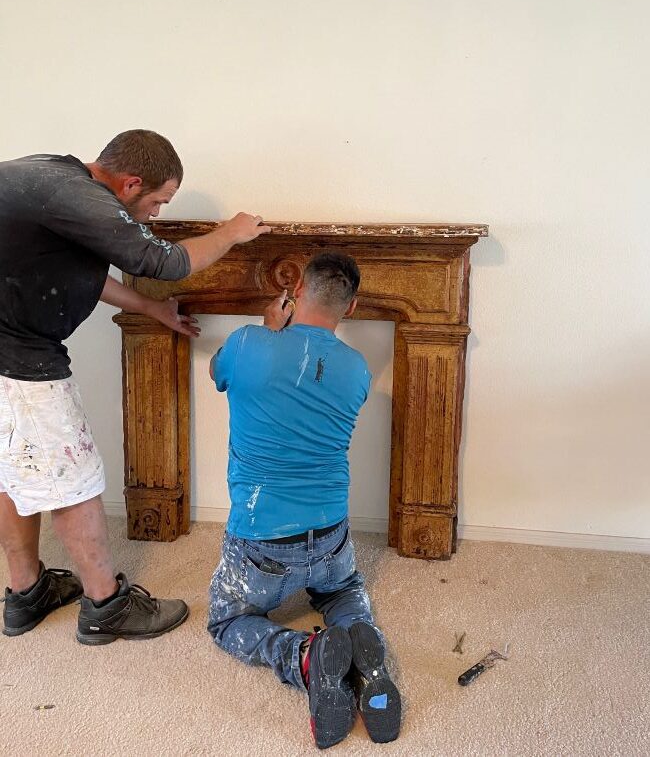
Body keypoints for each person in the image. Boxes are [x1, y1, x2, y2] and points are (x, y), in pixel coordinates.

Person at [0, 129, 271, 645]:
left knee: (13, 475)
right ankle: (106, 605)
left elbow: (72, 266)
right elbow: (163, 261)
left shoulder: (53, 179)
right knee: (73, 481)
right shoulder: (81, 197)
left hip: (5, 354)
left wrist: (148, 307)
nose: (156, 217)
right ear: (129, 184)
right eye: (158, 203)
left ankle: (25, 592)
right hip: (17, 358)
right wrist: (232, 231)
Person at [207, 251, 401, 749]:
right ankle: (361, 643)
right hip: (331, 534)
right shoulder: (357, 371)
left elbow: (217, 371)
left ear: (296, 295)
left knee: (226, 620)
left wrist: (269, 329)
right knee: (342, 591)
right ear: (350, 307)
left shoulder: (250, 344)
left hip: (263, 544)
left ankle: (304, 658)